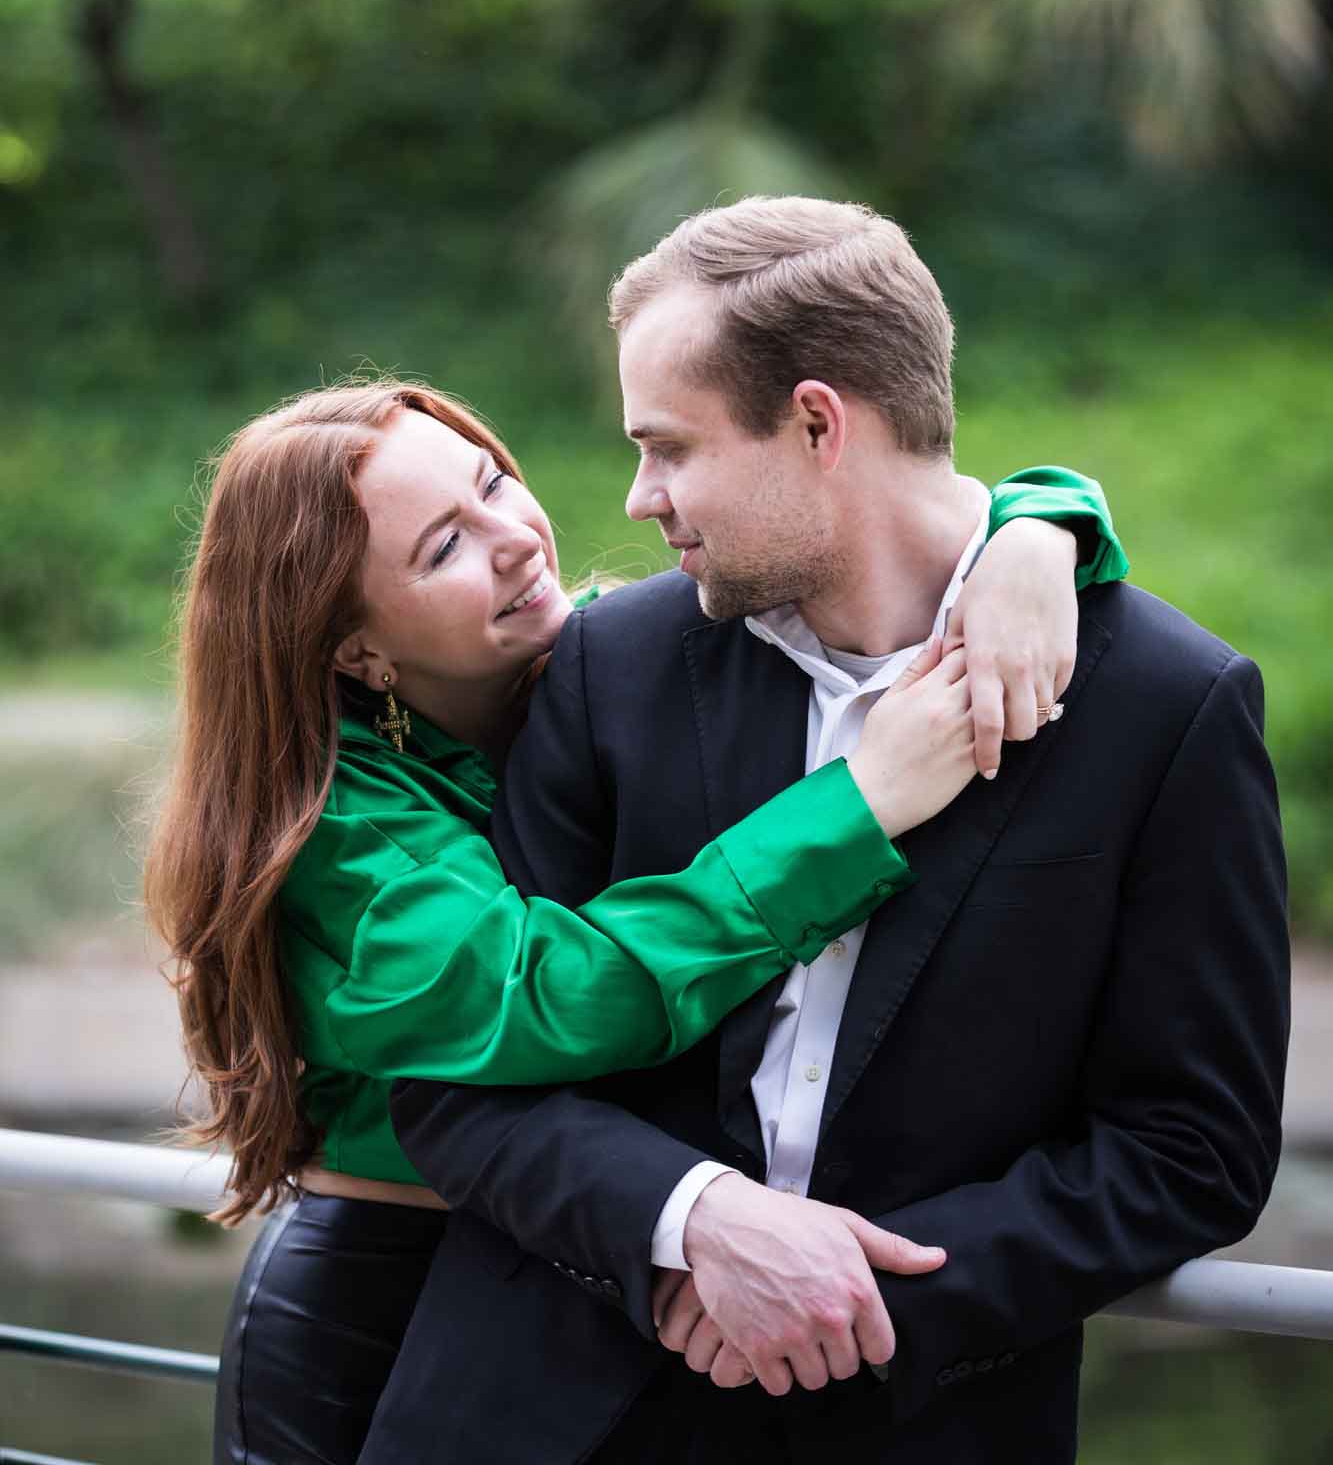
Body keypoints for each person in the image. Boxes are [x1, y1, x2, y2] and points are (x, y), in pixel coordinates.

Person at [369, 197, 1289, 1465]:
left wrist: (854, 1302)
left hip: (917, 1420)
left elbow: (1193, 1148)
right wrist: (689, 1223)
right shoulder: (604, 666)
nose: (638, 499)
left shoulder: (1167, 705)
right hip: (535, 1413)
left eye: (669, 447)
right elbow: (457, 1073)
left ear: (816, 423)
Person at [142, 377, 1124, 1465]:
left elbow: (893, 515)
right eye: (442, 549)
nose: (513, 538)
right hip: (377, 1301)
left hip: (569, 1284)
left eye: (494, 482)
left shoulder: (599, 662)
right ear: (355, 652)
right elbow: (544, 995)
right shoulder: (331, 826)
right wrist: (861, 799)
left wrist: (1042, 524)